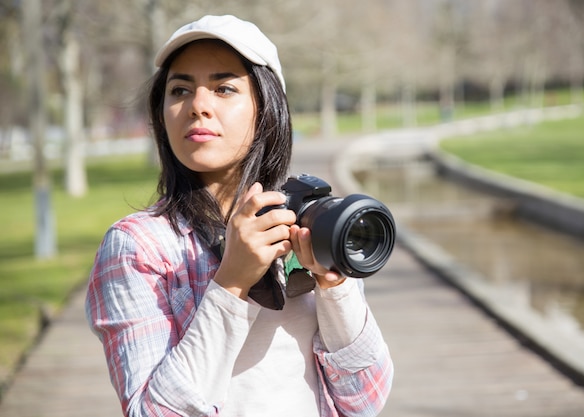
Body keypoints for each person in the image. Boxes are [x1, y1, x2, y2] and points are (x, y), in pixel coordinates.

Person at [85, 14, 393, 417]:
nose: (198, 106)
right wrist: (231, 283)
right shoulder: (139, 246)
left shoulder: (310, 222)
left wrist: (334, 285)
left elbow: (365, 401)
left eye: (224, 88)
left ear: (266, 109)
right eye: (180, 90)